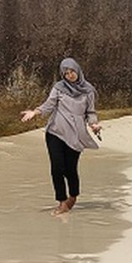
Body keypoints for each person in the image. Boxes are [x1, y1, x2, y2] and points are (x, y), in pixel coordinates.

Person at [20, 58, 102, 216]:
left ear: (77, 70)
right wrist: (35, 112)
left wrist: (94, 125)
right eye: (66, 73)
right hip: (55, 132)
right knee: (57, 168)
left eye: (72, 71)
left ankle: (74, 195)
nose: (70, 75)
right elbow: (48, 105)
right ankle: (61, 201)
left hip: (75, 134)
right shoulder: (59, 88)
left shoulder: (88, 90)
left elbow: (90, 112)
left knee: (70, 169)